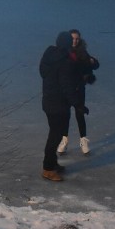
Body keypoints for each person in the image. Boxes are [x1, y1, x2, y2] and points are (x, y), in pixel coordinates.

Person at [39, 31, 81, 181]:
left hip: (49, 101)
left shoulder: (49, 54)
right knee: (55, 136)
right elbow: (66, 86)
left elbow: (44, 74)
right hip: (58, 104)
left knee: (55, 134)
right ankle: (48, 169)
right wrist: (77, 104)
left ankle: (52, 164)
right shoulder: (64, 61)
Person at [57, 29, 100, 155]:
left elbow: (93, 65)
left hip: (78, 88)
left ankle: (83, 141)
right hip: (65, 88)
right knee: (65, 114)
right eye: (73, 38)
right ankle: (64, 140)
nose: (75, 41)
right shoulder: (63, 51)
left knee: (79, 113)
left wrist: (93, 62)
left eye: (77, 39)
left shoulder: (82, 52)